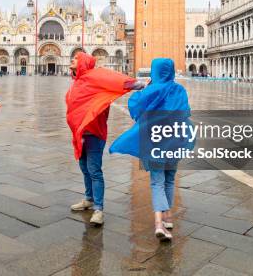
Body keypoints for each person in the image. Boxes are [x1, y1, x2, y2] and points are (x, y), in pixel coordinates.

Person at [110, 58, 193, 241]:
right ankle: (168, 217)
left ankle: (158, 224)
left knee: (157, 181)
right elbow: (186, 113)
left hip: (155, 142)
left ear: (154, 72)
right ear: (171, 71)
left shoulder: (151, 89)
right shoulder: (179, 90)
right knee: (170, 180)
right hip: (175, 142)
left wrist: (147, 88)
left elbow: (134, 105)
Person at [66, 52, 144, 225]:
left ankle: (99, 209)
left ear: (83, 62)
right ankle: (89, 198)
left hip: (94, 133)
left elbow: (115, 80)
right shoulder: (77, 81)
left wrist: (138, 84)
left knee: (94, 170)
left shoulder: (96, 76)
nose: (72, 60)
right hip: (80, 133)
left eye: (76, 58)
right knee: (84, 167)